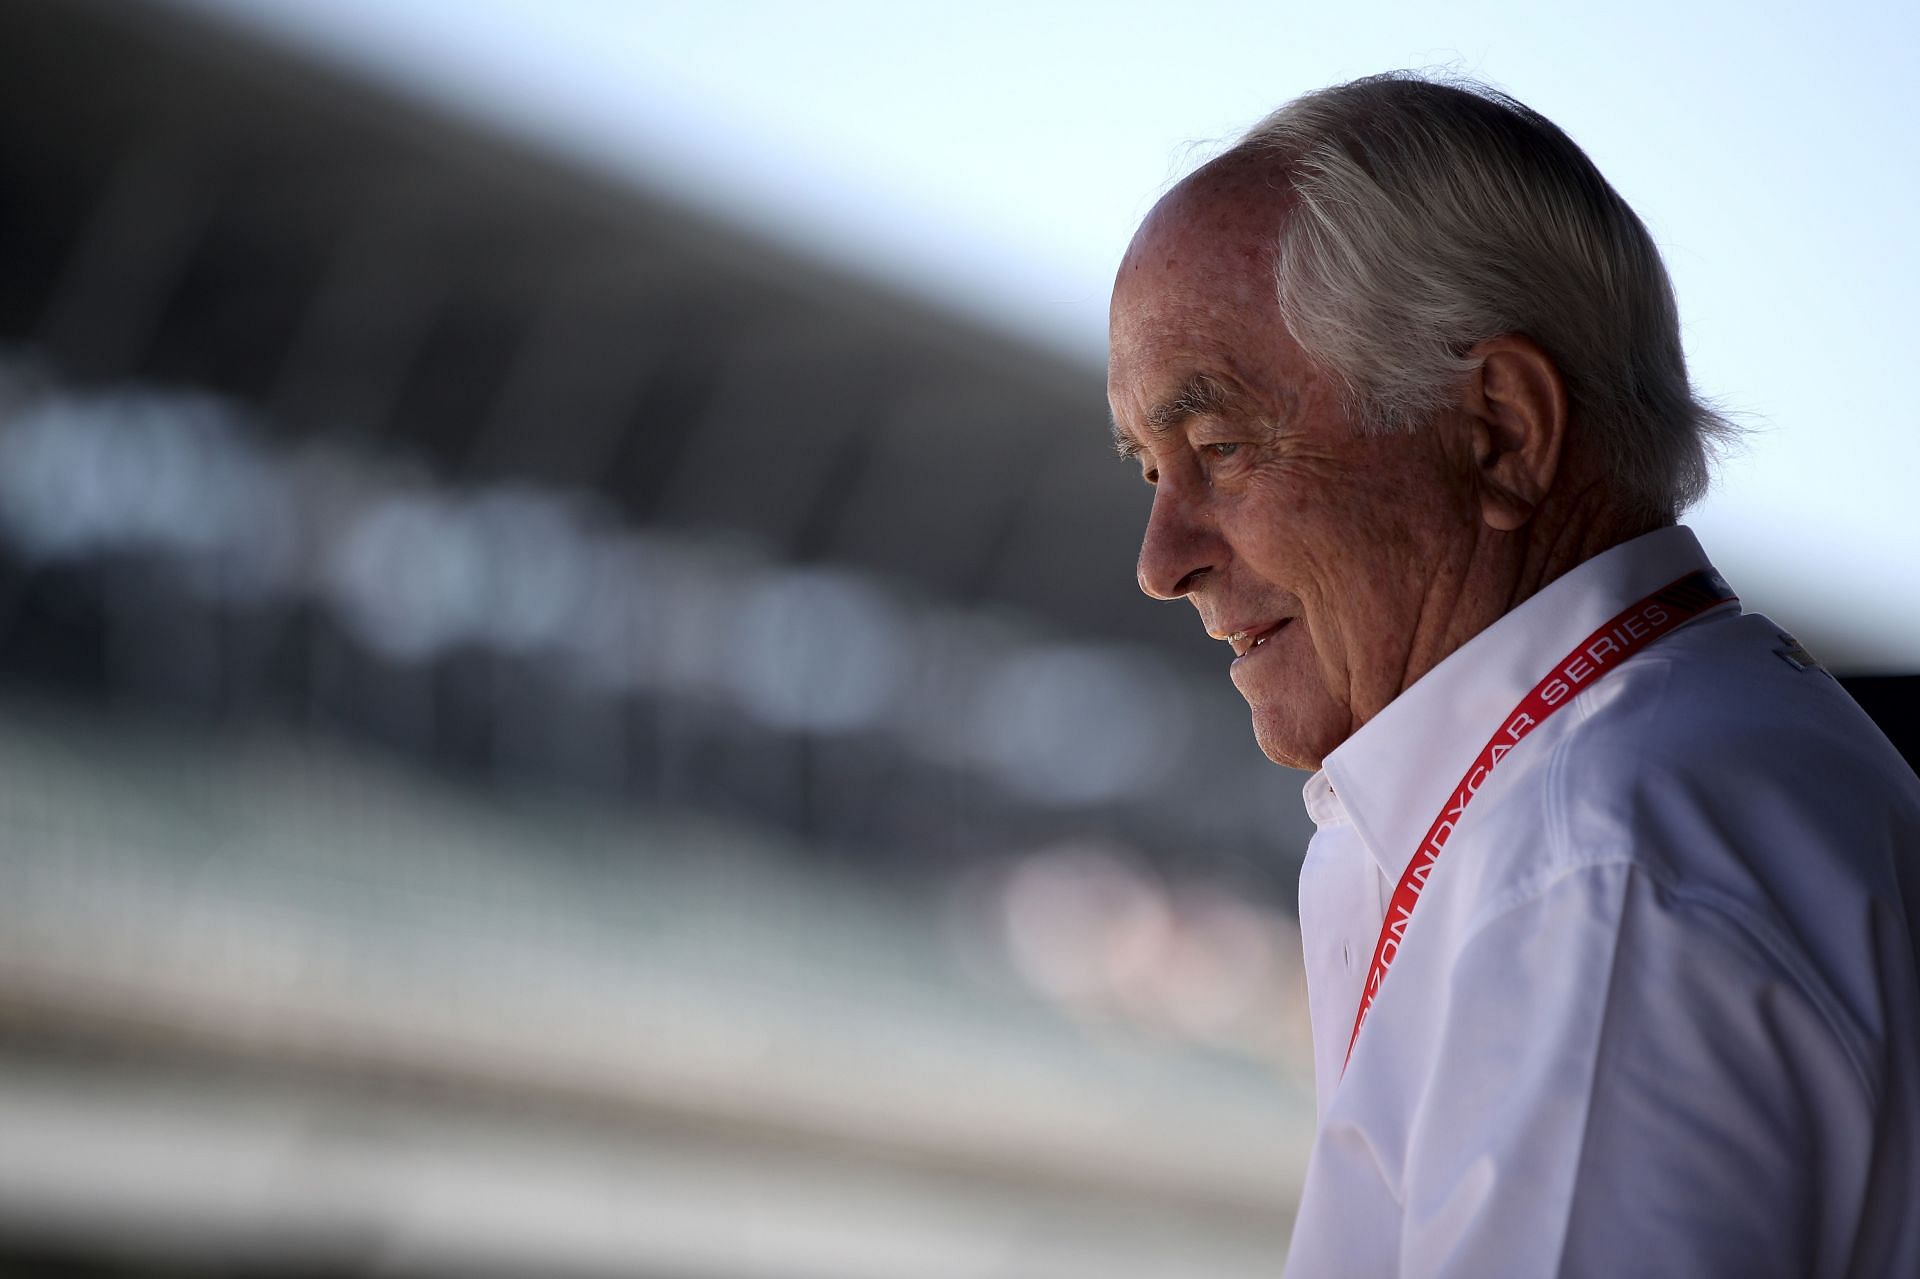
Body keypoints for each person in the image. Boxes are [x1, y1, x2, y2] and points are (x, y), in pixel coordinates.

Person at [1107, 73, 1920, 1277]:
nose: (1160, 562)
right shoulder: (1645, 769)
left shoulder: (1595, 861)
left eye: (1220, 448)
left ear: (1501, 429)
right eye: (1149, 471)